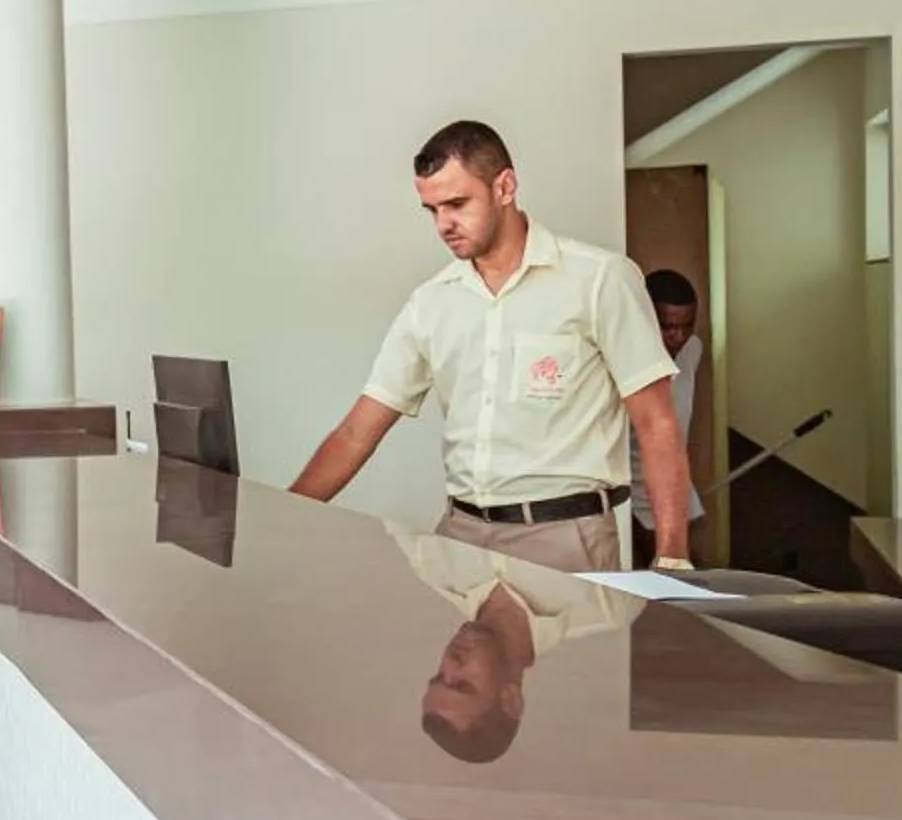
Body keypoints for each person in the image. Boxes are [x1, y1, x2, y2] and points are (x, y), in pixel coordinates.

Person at [292, 120, 696, 573]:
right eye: (432, 210)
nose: (444, 224)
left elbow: (656, 422)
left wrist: (672, 557)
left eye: (456, 204)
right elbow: (356, 433)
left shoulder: (600, 279)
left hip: (567, 538)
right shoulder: (431, 302)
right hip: (461, 535)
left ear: (504, 187)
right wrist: (278, 519)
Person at [397, 526, 636, 764]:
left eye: (440, 675)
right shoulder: (607, 602)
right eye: (463, 684)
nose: (451, 662)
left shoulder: (430, 564)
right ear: (510, 700)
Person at [629, 268, 707, 569]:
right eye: (668, 327)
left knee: (692, 579)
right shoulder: (627, 359)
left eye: (687, 325)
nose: (679, 337)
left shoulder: (693, 350)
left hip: (676, 492)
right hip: (631, 500)